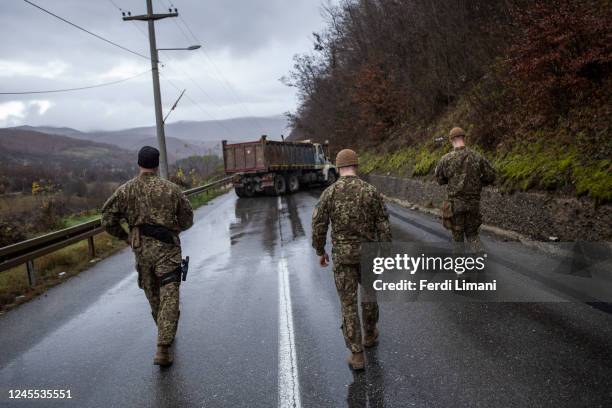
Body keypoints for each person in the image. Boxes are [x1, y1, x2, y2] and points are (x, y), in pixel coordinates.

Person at [101, 146, 193, 367]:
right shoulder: (171, 189)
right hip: (167, 250)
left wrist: (125, 237)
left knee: (154, 297)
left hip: (142, 251)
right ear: (157, 164)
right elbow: (188, 218)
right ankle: (163, 346)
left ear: (138, 163)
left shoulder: (125, 191)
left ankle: (163, 331)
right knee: (169, 296)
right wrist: (175, 229)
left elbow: (107, 219)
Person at [312, 149, 392, 371]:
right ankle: (369, 334)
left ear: (338, 168)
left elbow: (318, 224)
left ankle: (357, 355)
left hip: (343, 258)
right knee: (369, 296)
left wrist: (320, 251)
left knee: (348, 304)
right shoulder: (370, 191)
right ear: (356, 166)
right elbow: (383, 224)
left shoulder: (329, 193)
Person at [434, 127, 496, 252]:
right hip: (473, 204)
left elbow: (439, 180)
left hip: (455, 206)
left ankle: (460, 269)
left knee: (458, 239)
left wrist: (451, 181)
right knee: (473, 235)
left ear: (451, 140)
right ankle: (479, 258)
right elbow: (491, 176)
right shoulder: (477, 157)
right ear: (464, 138)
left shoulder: (446, 159)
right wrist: (479, 183)